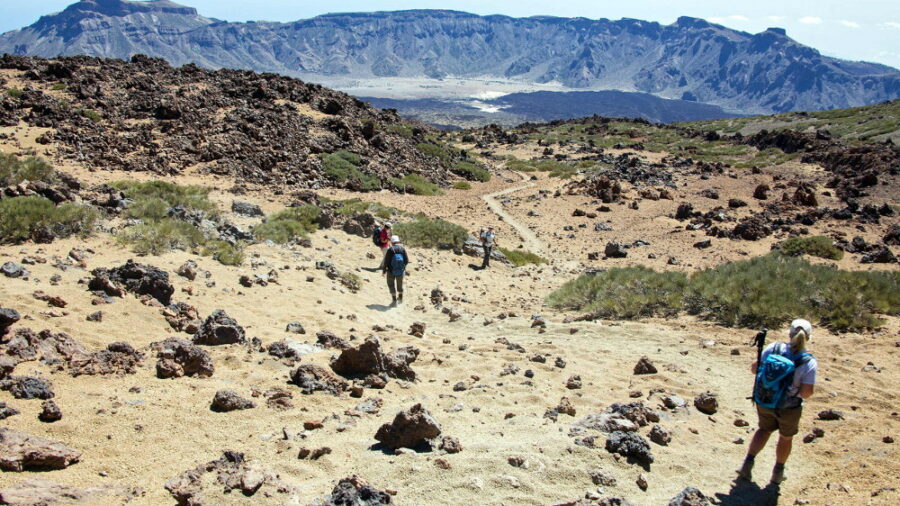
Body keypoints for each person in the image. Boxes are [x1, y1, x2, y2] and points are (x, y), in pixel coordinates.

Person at [738, 319, 817, 484]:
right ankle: (777, 473)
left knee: (763, 430)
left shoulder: (774, 348)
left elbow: (754, 368)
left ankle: (747, 464)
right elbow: (806, 392)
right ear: (808, 337)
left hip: (764, 400)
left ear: (789, 334)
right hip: (789, 408)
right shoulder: (808, 362)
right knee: (786, 438)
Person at [380, 235, 409, 305]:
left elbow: (386, 261)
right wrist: (402, 267)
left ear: (392, 242)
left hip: (390, 271)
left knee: (391, 284)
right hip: (400, 271)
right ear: (398, 241)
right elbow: (407, 260)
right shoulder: (402, 249)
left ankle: (394, 300)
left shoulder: (390, 249)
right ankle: (400, 298)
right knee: (400, 284)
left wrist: (384, 271)